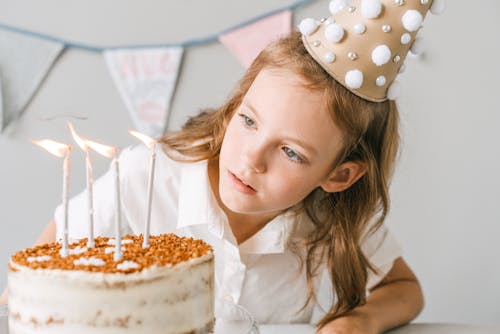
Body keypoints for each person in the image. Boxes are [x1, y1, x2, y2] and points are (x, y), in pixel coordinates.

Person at [2, 0, 443, 332]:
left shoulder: (333, 221)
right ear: (233, 108)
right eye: (248, 122)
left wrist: (354, 323)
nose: (251, 159)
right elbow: (35, 284)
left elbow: (406, 291)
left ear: (339, 175)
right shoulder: (147, 175)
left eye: (291, 152)